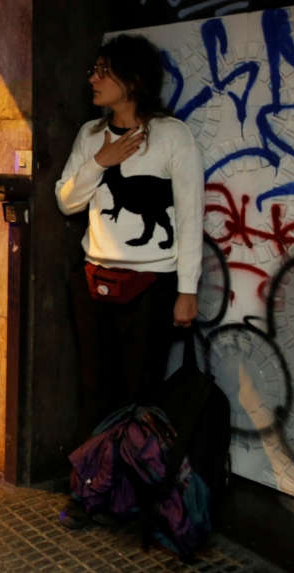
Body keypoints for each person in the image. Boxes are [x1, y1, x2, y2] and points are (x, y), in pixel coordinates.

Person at [55, 34, 204, 447]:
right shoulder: (90, 134)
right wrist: (100, 162)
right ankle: (93, 485)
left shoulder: (172, 136)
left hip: (152, 285)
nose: (93, 79)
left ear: (134, 80)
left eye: (105, 71)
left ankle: (135, 492)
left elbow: (191, 215)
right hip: (92, 280)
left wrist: (187, 289)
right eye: (94, 69)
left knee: (140, 393)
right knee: (94, 390)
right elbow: (66, 202)